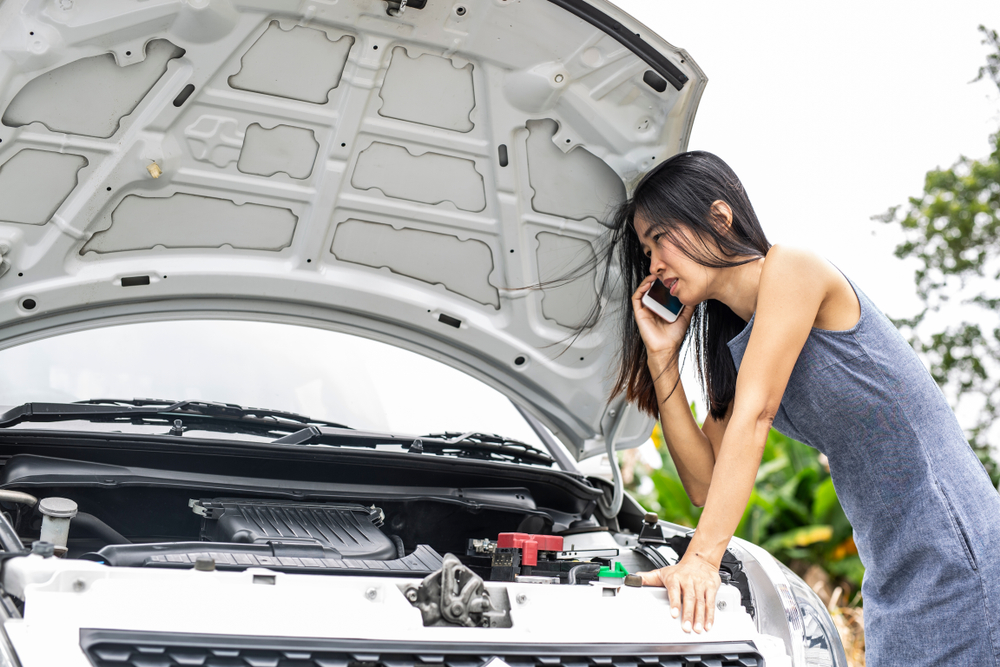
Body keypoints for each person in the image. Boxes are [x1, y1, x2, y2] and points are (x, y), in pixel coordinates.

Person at [606, 151, 1000, 665]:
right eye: (645, 247)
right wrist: (662, 358)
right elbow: (704, 483)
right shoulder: (736, 348)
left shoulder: (793, 269)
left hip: (956, 546)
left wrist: (702, 559)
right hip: (893, 568)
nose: (654, 262)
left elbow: (755, 418)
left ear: (720, 218)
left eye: (660, 237)